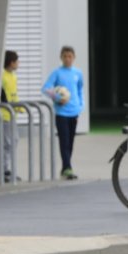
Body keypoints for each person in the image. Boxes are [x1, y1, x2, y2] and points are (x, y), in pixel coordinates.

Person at [41, 45, 85, 180]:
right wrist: (57, 97)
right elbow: (45, 88)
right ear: (61, 57)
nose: (67, 59)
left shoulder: (78, 73)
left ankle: (65, 167)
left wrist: (81, 105)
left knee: (70, 142)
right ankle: (67, 168)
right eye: (65, 56)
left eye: (70, 56)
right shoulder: (57, 73)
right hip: (61, 113)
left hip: (74, 112)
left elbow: (80, 90)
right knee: (64, 140)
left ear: (74, 57)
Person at [0, 50, 19, 183]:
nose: (18, 64)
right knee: (7, 143)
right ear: (11, 62)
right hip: (4, 115)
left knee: (14, 141)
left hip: (13, 114)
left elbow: (14, 94)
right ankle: (3, 169)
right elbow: (2, 95)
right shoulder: (2, 76)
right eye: (17, 61)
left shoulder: (13, 76)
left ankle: (7, 168)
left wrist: (19, 107)